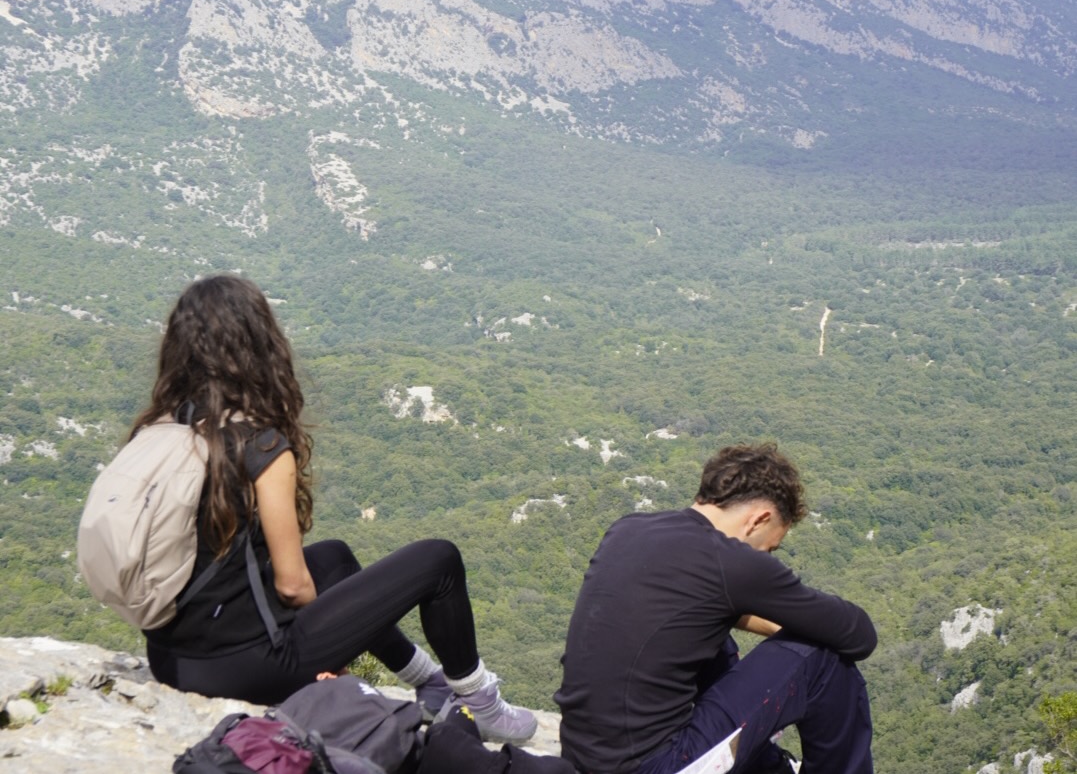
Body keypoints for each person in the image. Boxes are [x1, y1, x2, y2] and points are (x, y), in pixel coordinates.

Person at [135, 273, 536, 745]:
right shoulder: (258, 447)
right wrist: (330, 639)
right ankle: (479, 702)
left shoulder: (164, 432)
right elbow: (291, 584)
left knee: (334, 558)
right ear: (260, 346)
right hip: (243, 669)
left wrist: (339, 618)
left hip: (171, 656)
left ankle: (428, 682)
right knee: (439, 559)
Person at [555, 443, 876, 774]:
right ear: (759, 520)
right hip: (656, 766)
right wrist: (797, 628)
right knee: (820, 658)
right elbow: (859, 635)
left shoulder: (628, 528)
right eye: (770, 547)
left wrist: (769, 625)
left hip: (582, 758)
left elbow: (698, 605)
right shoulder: (733, 562)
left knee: (710, 631)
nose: (766, 556)